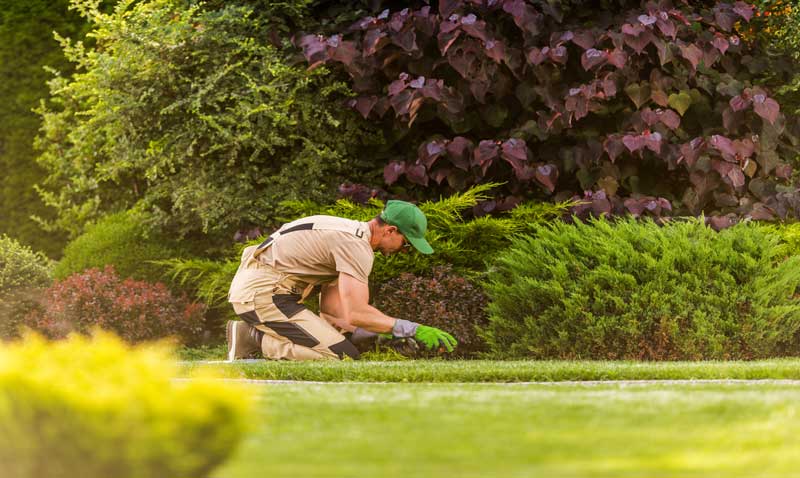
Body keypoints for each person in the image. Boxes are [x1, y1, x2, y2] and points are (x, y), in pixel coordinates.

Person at [226, 199, 458, 361]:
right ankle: (253, 338)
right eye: (406, 243)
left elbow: (333, 312)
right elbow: (357, 313)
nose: (405, 250)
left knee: (344, 346)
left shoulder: (347, 235)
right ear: (390, 230)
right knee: (341, 355)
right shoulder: (356, 247)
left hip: (266, 292)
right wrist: (411, 329)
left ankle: (254, 334)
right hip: (265, 296)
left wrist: (383, 334)